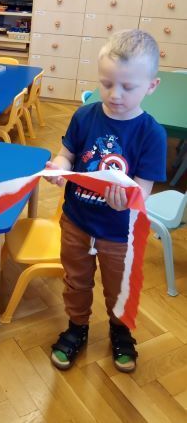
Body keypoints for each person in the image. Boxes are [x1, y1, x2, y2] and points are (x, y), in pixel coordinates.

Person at [45, 29, 166, 373]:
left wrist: (126, 202)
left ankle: (120, 331)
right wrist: (59, 167)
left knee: (119, 288)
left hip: (120, 233)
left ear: (151, 86)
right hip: (77, 222)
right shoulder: (85, 116)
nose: (115, 94)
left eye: (128, 87)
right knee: (76, 281)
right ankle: (77, 327)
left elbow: (143, 189)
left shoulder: (152, 133)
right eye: (107, 83)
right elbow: (67, 154)